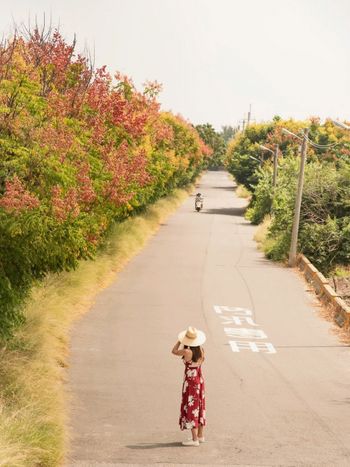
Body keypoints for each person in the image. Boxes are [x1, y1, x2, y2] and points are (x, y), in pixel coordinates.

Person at [171, 326, 206, 447]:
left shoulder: (187, 352)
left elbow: (174, 351)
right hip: (199, 380)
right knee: (199, 406)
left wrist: (180, 341)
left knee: (191, 407)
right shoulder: (201, 350)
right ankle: (200, 436)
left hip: (191, 383)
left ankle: (194, 439)